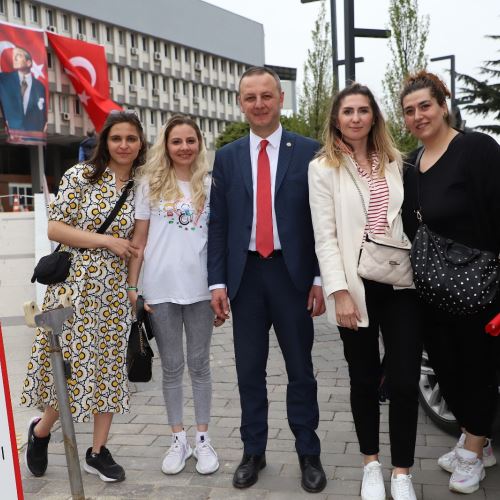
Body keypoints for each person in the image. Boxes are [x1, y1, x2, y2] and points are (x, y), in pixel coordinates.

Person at [208, 66, 327, 493]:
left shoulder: (310, 152)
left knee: (301, 370)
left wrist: (318, 277)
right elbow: (218, 224)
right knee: (248, 372)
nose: (258, 104)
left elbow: (320, 221)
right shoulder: (227, 157)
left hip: (291, 275)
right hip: (245, 278)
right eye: (250, 97)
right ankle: (253, 451)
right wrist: (216, 283)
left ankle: (308, 452)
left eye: (266, 96)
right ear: (241, 103)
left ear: (280, 98)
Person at [308, 83, 423, 500]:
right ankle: (371, 464)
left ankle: (403, 472)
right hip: (354, 285)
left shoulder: (397, 163)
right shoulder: (323, 168)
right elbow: (326, 236)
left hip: (400, 282)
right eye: (347, 111)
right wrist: (338, 291)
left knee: (406, 380)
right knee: (362, 379)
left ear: (374, 116)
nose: (355, 117)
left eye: (363, 110)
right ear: (336, 119)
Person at [21, 110, 146, 482]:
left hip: (112, 293)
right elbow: (55, 227)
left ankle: (97, 451)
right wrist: (105, 240)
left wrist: (132, 289)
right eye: (117, 138)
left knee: (107, 369)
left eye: (131, 139)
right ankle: (40, 433)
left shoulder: (143, 184)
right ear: (105, 141)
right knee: (71, 371)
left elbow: (138, 244)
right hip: (73, 288)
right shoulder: (81, 176)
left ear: (140, 144)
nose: (124, 145)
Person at [400, 71, 500, 495]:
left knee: (478, 370)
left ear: (443, 104)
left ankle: (473, 453)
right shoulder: (411, 164)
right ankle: (477, 439)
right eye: (409, 110)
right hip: (432, 293)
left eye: (425, 105)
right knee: (446, 371)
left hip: (480, 288)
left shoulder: (476, 150)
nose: (418, 115)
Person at [127, 115, 220, 476]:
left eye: (190, 141)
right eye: (176, 141)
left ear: (199, 144)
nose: (184, 147)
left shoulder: (211, 184)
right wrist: (134, 289)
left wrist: (219, 289)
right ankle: (177, 438)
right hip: (160, 290)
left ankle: (202, 439)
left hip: (200, 290)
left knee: (200, 365)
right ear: (165, 145)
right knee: (172, 368)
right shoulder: (149, 184)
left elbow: (217, 241)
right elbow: (139, 241)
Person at [0, 46, 46, 132]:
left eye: (18, 56)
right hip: (12, 131)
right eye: (14, 56)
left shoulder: (39, 87)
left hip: (32, 134)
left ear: (28, 63)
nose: (14, 58)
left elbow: (42, 113)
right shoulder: (4, 79)